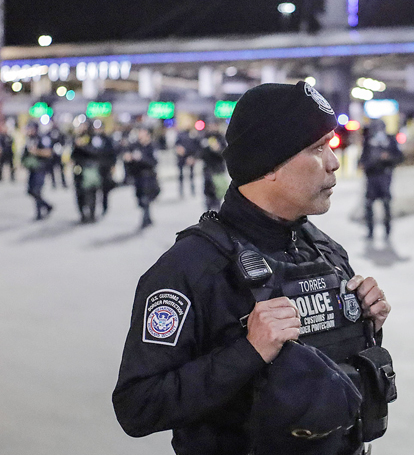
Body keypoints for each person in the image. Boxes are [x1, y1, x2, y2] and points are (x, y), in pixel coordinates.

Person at [113, 81, 394, 455]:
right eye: (318, 148)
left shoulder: (325, 251)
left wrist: (365, 322)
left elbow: (332, 376)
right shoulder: (192, 269)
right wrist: (248, 351)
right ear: (270, 164)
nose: (334, 161)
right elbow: (138, 406)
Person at [359, 119, 403, 239]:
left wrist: (387, 158)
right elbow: (363, 157)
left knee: (386, 204)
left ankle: (387, 231)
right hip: (371, 177)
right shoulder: (369, 141)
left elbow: (399, 157)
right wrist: (364, 164)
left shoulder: (390, 140)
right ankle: (370, 231)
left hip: (385, 177)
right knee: (368, 205)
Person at [123, 128, 160, 228]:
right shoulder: (135, 146)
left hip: (148, 177)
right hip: (138, 177)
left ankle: (145, 219)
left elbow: (154, 162)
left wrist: (141, 159)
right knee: (140, 198)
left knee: (146, 198)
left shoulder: (152, 146)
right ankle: (148, 217)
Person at [21, 122, 54, 220]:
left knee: (36, 191)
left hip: (41, 168)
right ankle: (47, 206)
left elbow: (48, 152)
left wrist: (36, 151)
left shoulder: (42, 138)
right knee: (31, 190)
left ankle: (39, 213)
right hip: (32, 169)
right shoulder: (29, 139)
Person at [71, 123, 104, 222]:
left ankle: (92, 214)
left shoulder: (94, 139)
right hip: (79, 169)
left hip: (90, 170)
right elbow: (73, 155)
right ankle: (82, 215)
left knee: (91, 193)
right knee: (79, 193)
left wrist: (83, 146)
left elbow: (97, 152)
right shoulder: (76, 138)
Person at [200, 121, 228, 211]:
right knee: (208, 191)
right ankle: (208, 210)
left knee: (218, 191)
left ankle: (217, 209)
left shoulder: (221, 138)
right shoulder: (205, 138)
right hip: (208, 168)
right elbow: (200, 153)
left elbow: (224, 154)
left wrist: (217, 149)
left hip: (218, 169)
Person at [175, 127, 200, 198]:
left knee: (191, 175)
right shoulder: (180, 135)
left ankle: (192, 189)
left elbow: (197, 146)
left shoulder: (193, 135)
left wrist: (193, 157)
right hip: (181, 157)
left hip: (190, 156)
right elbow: (177, 146)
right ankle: (181, 190)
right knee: (181, 175)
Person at [45, 124, 69, 189]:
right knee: (52, 169)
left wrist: (61, 147)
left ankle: (64, 183)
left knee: (61, 169)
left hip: (59, 154)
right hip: (52, 154)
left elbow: (64, 140)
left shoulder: (60, 132)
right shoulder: (49, 133)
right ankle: (53, 183)